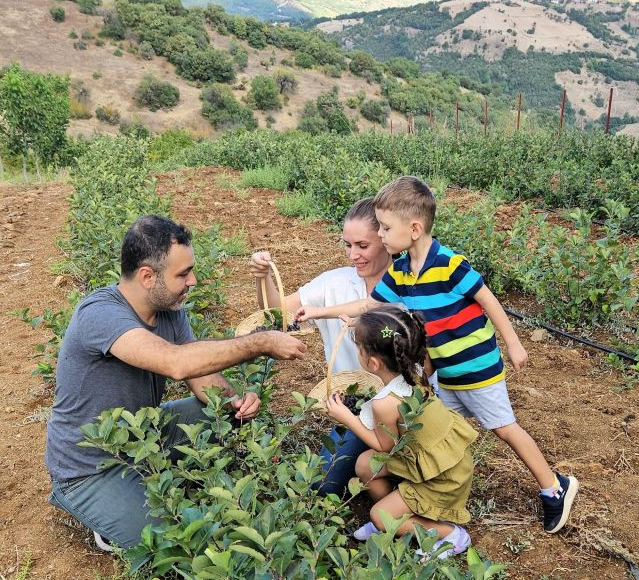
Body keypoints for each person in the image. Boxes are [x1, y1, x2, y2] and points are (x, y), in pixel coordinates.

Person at [298, 176, 579, 534]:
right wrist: (321, 312)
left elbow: (487, 299)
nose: (381, 235)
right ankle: (428, 499)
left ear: (414, 229)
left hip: (476, 368)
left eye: (385, 227)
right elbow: (371, 303)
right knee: (437, 435)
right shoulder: (400, 271)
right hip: (442, 373)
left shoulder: (449, 264)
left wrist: (513, 342)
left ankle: (554, 487)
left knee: (505, 429)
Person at [45, 214, 307, 549]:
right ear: (147, 276)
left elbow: (200, 378)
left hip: (144, 432)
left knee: (224, 414)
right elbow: (177, 364)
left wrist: (234, 402)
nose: (193, 280)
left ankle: (143, 482)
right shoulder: (100, 314)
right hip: (91, 464)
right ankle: (101, 513)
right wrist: (260, 343)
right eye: (183, 273)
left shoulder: (170, 307)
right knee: (178, 541)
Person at [247, 198, 393, 497]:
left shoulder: (407, 285)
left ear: (386, 238)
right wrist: (263, 279)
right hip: (356, 408)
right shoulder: (334, 283)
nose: (354, 255)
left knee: (412, 467)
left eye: (362, 246)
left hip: (401, 406)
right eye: (347, 245)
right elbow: (279, 315)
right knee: (322, 484)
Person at [325, 305, 477, 559]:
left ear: (372, 363)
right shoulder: (414, 368)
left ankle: (448, 533)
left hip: (441, 479)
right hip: (442, 458)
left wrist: (346, 418)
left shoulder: (385, 403)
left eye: (360, 348)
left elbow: (383, 446)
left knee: (378, 513)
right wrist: (364, 327)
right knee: (365, 464)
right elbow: (396, 328)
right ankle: (396, 516)